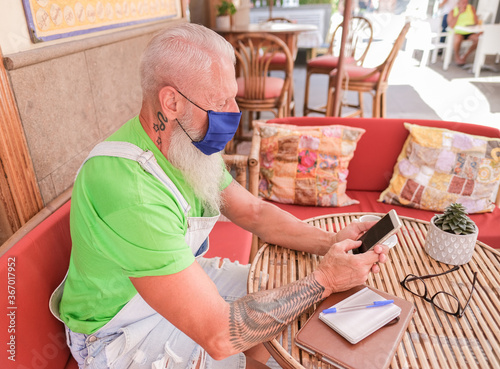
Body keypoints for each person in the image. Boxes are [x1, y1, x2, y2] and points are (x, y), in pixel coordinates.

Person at [50, 23, 389, 369]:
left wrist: (330, 241)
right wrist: (325, 278)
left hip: (177, 282)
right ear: (171, 102)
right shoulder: (131, 188)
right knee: (284, 335)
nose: (233, 111)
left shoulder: (185, 144)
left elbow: (254, 212)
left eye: (233, 95)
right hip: (120, 330)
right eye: (219, 101)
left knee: (309, 307)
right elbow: (219, 335)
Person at [447, 0, 481, 66]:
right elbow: (451, 25)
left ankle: (464, 56)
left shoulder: (471, 8)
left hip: (470, 32)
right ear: (458, 4)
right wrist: (459, 13)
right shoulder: (453, 11)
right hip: (458, 32)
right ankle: (457, 56)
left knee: (478, 39)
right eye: (463, 3)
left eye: (466, 2)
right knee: (457, 38)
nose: (465, 4)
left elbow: (476, 23)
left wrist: (474, 14)